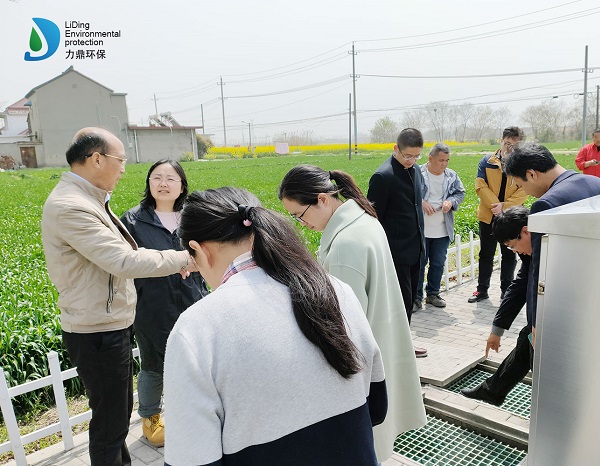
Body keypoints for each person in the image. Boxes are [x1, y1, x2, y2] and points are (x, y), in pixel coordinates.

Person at [164, 187, 387, 466]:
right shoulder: (334, 288)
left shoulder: (198, 328)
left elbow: (192, 458)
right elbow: (376, 407)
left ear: (198, 250)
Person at [41, 127, 196, 466]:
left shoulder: (90, 198)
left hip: (108, 321)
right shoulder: (72, 206)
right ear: (97, 159)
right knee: (110, 423)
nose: (124, 168)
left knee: (115, 415)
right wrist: (185, 258)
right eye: (121, 160)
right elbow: (124, 259)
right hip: (97, 329)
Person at [279, 165, 426, 462]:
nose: (301, 223)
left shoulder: (346, 245)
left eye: (300, 214)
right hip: (383, 345)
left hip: (363, 368)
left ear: (322, 199)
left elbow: (345, 330)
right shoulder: (362, 219)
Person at [120, 160, 208, 447]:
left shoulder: (193, 217)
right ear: (148, 183)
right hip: (151, 304)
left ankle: (194, 411)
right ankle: (150, 417)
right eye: (156, 177)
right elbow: (126, 263)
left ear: (181, 185)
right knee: (153, 364)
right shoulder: (133, 220)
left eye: (170, 178)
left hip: (193, 299)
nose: (163, 183)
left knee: (196, 361)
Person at [504, 142, 600, 344]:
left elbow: (540, 270)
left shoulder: (546, 204)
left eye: (521, 184)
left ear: (532, 174)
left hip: (567, 307)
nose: (525, 192)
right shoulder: (599, 184)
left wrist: (536, 322)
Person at [461, 206, 532, 405]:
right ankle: (493, 391)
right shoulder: (530, 250)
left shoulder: (553, 247)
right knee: (526, 340)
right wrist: (497, 330)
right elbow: (519, 286)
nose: (515, 252)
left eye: (512, 245)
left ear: (525, 231)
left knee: (529, 342)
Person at [366, 128, 427, 358]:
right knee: (399, 305)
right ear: (395, 149)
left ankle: (402, 344)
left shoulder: (416, 171)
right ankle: (398, 349)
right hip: (395, 253)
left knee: (409, 302)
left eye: (416, 156)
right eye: (407, 156)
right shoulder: (383, 176)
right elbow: (373, 217)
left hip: (416, 249)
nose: (411, 161)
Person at [468, 127, 528, 304]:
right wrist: (496, 206)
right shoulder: (487, 161)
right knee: (486, 253)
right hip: (488, 214)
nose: (510, 148)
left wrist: (505, 207)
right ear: (501, 140)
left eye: (515, 145)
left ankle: (506, 291)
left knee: (509, 254)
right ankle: (482, 290)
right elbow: (480, 185)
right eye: (507, 143)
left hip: (510, 216)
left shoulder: (521, 165)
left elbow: (524, 190)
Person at [417, 143, 466, 308]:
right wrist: (421, 202)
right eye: (441, 160)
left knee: (438, 263)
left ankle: (433, 294)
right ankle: (416, 298)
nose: (444, 164)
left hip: (442, 229)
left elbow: (460, 193)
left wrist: (450, 202)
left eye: (447, 160)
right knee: (419, 264)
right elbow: (407, 192)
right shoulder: (417, 173)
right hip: (421, 229)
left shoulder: (451, 176)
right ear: (430, 158)